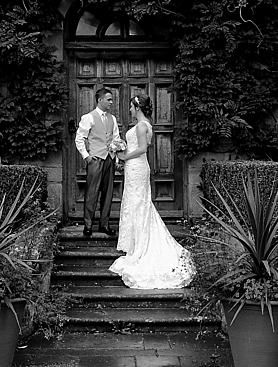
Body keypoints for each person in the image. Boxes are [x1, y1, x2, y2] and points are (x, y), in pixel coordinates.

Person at [109, 95, 195, 289]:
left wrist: (123, 156)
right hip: (136, 168)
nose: (130, 110)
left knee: (138, 204)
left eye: (131, 107)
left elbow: (141, 149)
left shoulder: (141, 126)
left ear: (137, 107)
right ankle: (136, 243)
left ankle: (140, 247)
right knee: (137, 204)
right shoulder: (146, 124)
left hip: (137, 166)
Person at [74, 87, 120, 238]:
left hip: (109, 160)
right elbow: (80, 138)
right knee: (92, 193)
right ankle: (88, 225)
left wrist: (116, 157)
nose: (111, 102)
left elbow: (116, 138)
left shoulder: (112, 119)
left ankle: (104, 225)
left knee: (107, 194)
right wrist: (86, 156)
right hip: (95, 160)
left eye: (112, 99)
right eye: (109, 99)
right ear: (100, 100)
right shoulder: (89, 117)